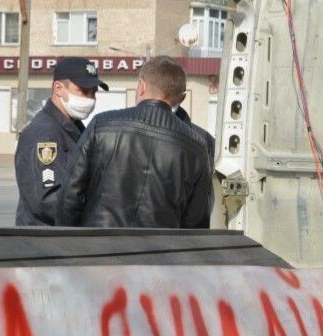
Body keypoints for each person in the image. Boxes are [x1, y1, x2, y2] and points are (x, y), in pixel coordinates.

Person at [57, 56, 212, 229]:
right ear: (181, 98)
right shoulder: (196, 146)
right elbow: (196, 218)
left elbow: (70, 196)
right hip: (161, 250)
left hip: (99, 247)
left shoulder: (101, 125)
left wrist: (70, 243)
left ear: (142, 87)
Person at [14, 57, 107, 226]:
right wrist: (97, 211)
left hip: (62, 237)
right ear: (58, 88)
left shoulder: (72, 126)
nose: (90, 99)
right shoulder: (44, 134)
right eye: (83, 91)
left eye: (93, 92)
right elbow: (48, 200)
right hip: (45, 240)